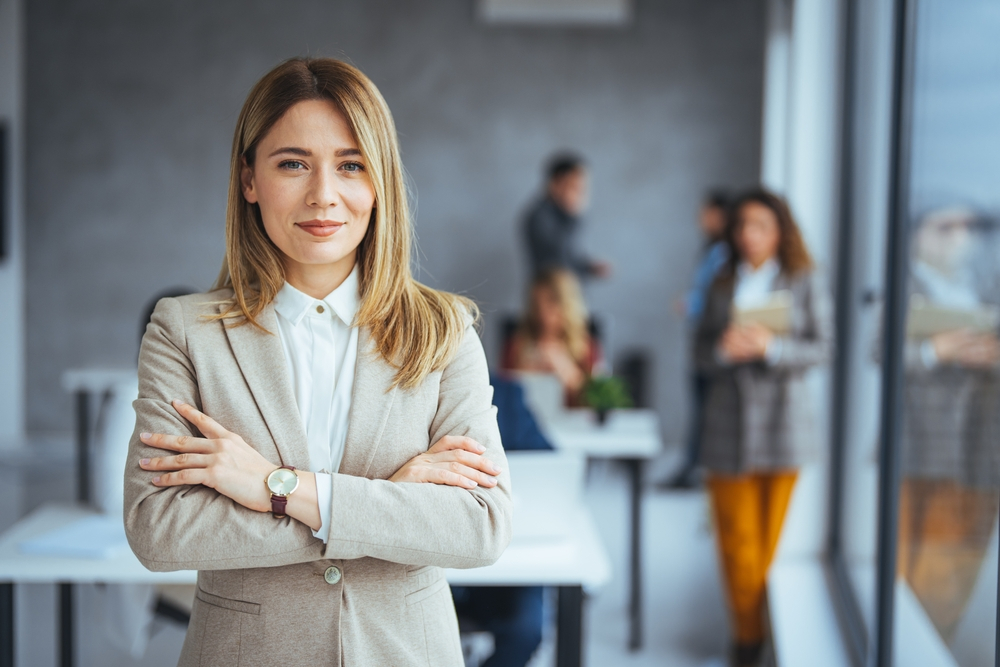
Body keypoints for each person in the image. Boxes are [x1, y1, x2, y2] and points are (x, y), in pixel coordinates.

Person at [123, 58, 511, 666]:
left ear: (378, 181)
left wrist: (275, 488)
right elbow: (159, 530)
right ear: (249, 178)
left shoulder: (443, 330)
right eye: (293, 164)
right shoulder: (184, 332)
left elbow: (478, 525)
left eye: (351, 165)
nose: (323, 195)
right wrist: (384, 502)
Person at [694, 189, 832, 667]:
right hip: (726, 426)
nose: (750, 236)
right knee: (738, 548)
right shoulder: (721, 281)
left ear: (780, 232)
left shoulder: (804, 281)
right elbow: (697, 352)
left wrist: (771, 349)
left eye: (761, 227)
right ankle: (750, 644)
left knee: (766, 548)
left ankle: (749, 645)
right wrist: (724, 350)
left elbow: (822, 347)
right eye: (742, 227)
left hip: (784, 426)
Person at [897, 206, 1000, 642]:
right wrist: (934, 351)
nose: (958, 238)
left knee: (958, 566)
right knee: (911, 566)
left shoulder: (983, 287)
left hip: (980, 445)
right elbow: (878, 352)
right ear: (919, 234)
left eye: (966, 229)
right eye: (945, 228)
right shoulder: (905, 285)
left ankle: (935, 643)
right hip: (920, 444)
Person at [452, 373, 552, 667]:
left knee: (526, 630)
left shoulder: (506, 394)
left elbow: (548, 464)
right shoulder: (406, 394)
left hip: (507, 557)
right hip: (432, 559)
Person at [663, 190, 731, 490]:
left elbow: (715, 299)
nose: (701, 219)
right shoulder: (711, 248)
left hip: (716, 346)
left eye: (707, 212)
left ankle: (695, 471)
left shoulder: (725, 253)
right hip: (703, 343)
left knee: (705, 413)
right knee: (699, 410)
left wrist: (691, 304)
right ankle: (692, 469)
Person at [503, 268, 602, 405]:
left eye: (551, 301)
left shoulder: (586, 347)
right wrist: (524, 377)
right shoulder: (516, 345)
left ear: (567, 303)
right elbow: (501, 393)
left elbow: (598, 401)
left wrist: (567, 372)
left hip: (569, 423)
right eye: (537, 304)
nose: (543, 311)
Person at [522, 152, 611, 280]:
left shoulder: (561, 215)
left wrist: (589, 267)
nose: (580, 194)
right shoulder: (540, 216)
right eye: (574, 187)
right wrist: (573, 216)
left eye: (582, 188)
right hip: (552, 292)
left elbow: (572, 256)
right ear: (555, 184)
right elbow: (559, 259)